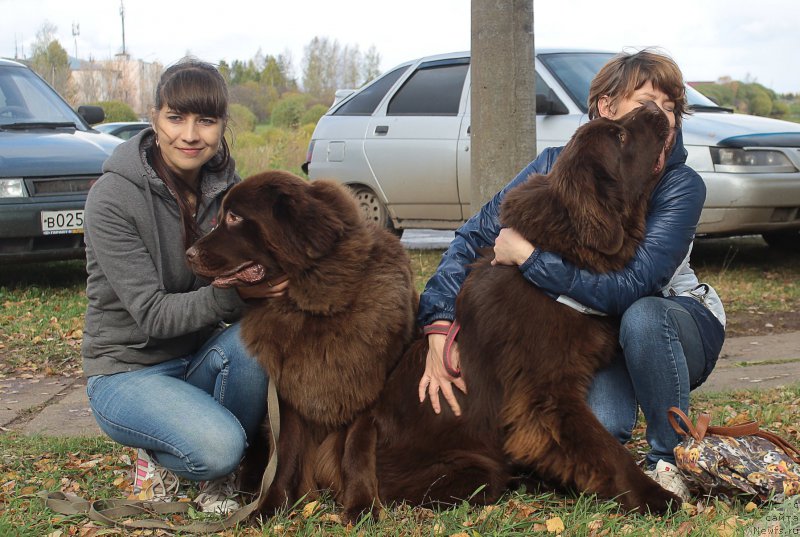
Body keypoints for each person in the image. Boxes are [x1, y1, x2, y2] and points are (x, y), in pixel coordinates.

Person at [416, 48, 726, 502]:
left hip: (670, 320)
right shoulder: (556, 163)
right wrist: (439, 325)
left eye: (671, 106)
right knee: (601, 426)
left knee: (643, 315)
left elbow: (631, 287)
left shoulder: (680, 184)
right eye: (646, 102)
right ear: (606, 106)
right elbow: (471, 238)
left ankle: (667, 457)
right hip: (599, 328)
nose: (662, 115)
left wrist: (529, 258)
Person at [82, 58, 285, 514]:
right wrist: (236, 291)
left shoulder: (228, 188)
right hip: (128, 370)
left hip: (201, 357)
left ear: (221, 126)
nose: (190, 135)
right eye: (176, 117)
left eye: (206, 121)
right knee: (220, 447)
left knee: (259, 339)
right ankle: (163, 454)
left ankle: (215, 466)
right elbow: (152, 315)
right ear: (154, 118)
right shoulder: (112, 198)